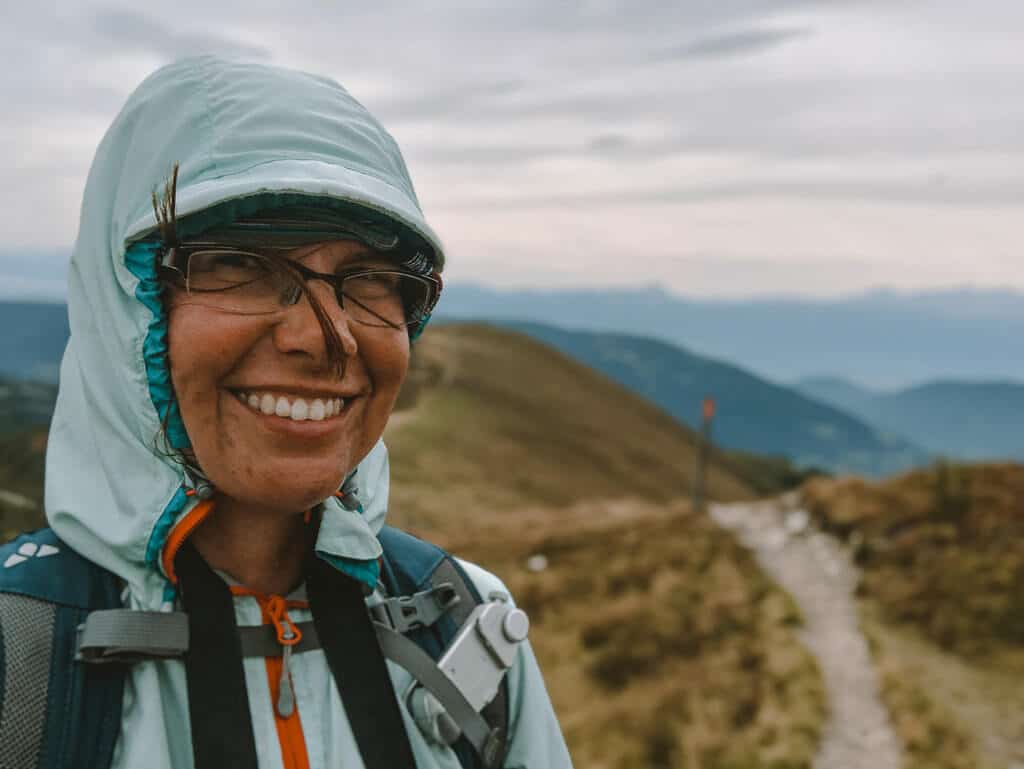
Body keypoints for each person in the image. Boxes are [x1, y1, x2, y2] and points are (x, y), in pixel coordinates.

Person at [1, 56, 572, 768]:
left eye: (368, 278)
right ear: (129, 303)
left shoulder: (467, 630)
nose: (324, 338)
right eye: (238, 262)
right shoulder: (17, 658)